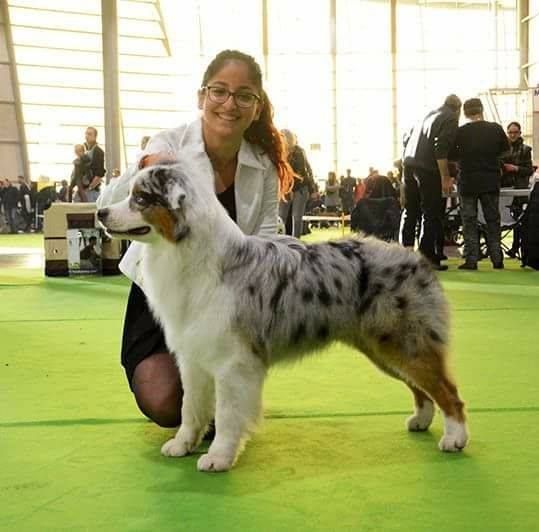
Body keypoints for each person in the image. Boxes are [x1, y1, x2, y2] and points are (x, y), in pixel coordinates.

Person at [97, 49, 293, 428]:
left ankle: (229, 389)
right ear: (202, 96)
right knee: (165, 403)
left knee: (223, 408)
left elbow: (268, 237)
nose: (229, 104)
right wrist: (142, 167)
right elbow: (107, 206)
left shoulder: (263, 164)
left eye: (244, 95)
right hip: (165, 294)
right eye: (219, 91)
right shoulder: (168, 147)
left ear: (257, 106)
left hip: (228, 296)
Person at [400, 94, 462, 270]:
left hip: (408, 165)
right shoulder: (450, 117)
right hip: (427, 169)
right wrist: (445, 177)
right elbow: (440, 149)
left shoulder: (425, 116)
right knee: (431, 212)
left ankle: (404, 254)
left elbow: (406, 142)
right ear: (458, 109)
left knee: (410, 211)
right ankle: (427, 258)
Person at [450, 98, 509, 270]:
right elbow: (506, 151)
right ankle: (497, 258)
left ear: (465, 113)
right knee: (493, 220)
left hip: (468, 181)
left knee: (469, 220)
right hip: (490, 180)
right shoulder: (496, 129)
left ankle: (471, 259)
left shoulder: (460, 132)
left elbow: (452, 155)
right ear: (482, 110)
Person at [500, 121, 534, 258]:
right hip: (504, 187)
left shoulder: (526, 150)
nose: (513, 135)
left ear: (520, 133)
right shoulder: (501, 149)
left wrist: (515, 168)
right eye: (510, 132)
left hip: (519, 188)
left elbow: (529, 170)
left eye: (515, 132)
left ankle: (516, 248)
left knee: (519, 221)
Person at [278, 129, 316, 238]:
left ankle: (296, 243)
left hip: (300, 189)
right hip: (285, 188)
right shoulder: (279, 152)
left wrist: (312, 190)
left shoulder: (299, 152)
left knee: (297, 218)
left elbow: (302, 173)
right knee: (281, 217)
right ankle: (281, 242)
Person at [83, 126, 106, 202]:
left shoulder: (98, 152)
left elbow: (99, 174)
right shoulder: (86, 151)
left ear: (95, 137)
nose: (87, 136)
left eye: (89, 134)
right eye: (86, 134)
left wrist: (89, 188)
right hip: (84, 190)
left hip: (91, 192)